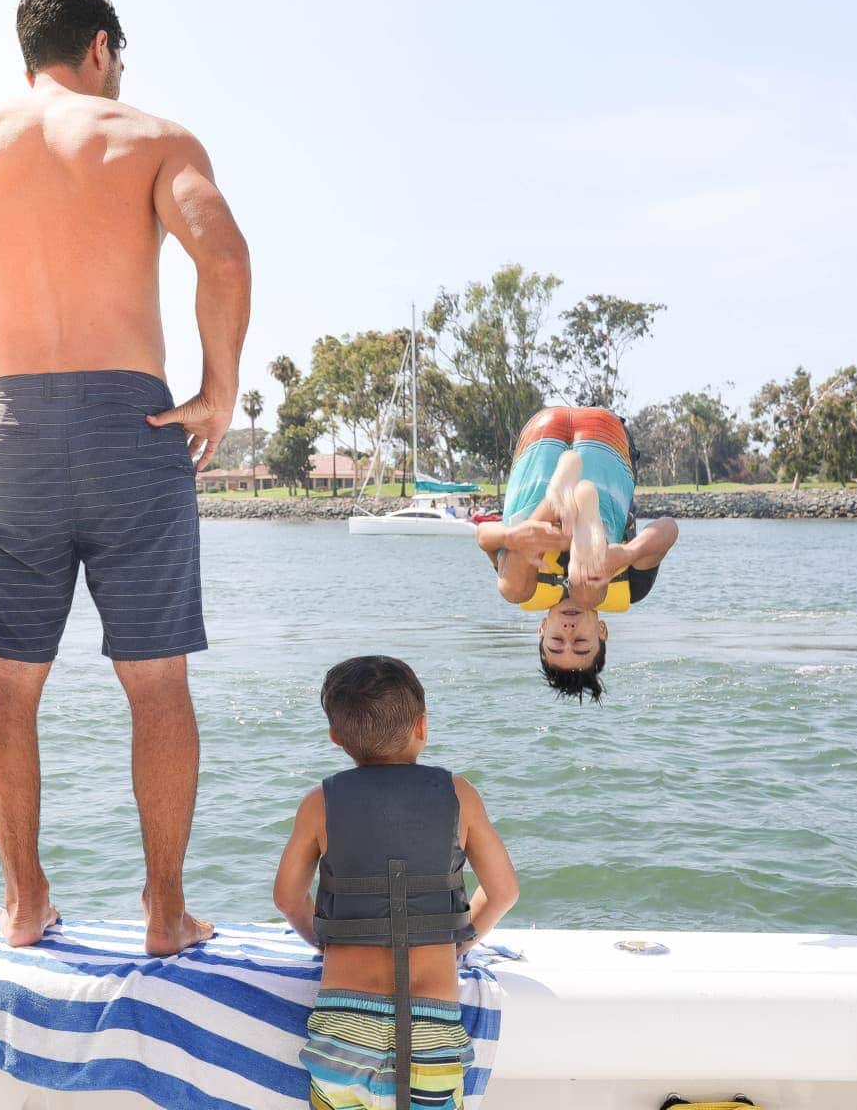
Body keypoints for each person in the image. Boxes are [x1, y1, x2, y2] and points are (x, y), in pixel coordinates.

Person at [0, 0, 250, 954]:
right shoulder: (151, 139)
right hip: (132, 426)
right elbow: (224, 258)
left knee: (8, 684)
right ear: (103, 49)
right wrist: (217, 392)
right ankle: (163, 911)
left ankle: (24, 902)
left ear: (33, 56)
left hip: (12, 428)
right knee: (157, 685)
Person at [274, 656, 519, 1110]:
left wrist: (325, 941)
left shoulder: (318, 803)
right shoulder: (458, 793)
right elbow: (504, 892)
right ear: (422, 725)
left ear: (335, 737)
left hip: (343, 1025)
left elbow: (287, 897)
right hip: (431, 1028)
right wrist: (460, 942)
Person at [474, 407, 679, 702]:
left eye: (557, 641)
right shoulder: (631, 587)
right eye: (581, 642)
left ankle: (558, 497)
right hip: (604, 442)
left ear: (542, 628)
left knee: (512, 590)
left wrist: (510, 536)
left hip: (541, 441)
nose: (568, 631)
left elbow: (482, 537)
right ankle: (582, 511)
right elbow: (669, 529)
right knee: (588, 592)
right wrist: (627, 554)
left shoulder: (524, 583)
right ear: (602, 631)